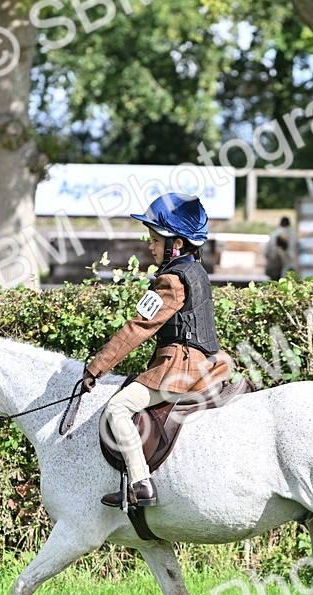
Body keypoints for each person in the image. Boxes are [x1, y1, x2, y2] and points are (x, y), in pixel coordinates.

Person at [79, 192, 233, 508]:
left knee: (117, 408)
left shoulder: (171, 281)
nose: (150, 246)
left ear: (175, 244)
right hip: (208, 362)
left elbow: (138, 327)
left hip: (179, 368)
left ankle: (141, 483)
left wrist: (96, 367)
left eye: (155, 239)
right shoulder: (197, 272)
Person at [264, 216, 292, 280]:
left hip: (274, 266)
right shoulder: (293, 235)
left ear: (280, 223)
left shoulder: (273, 234)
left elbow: (266, 252)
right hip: (288, 267)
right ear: (289, 224)